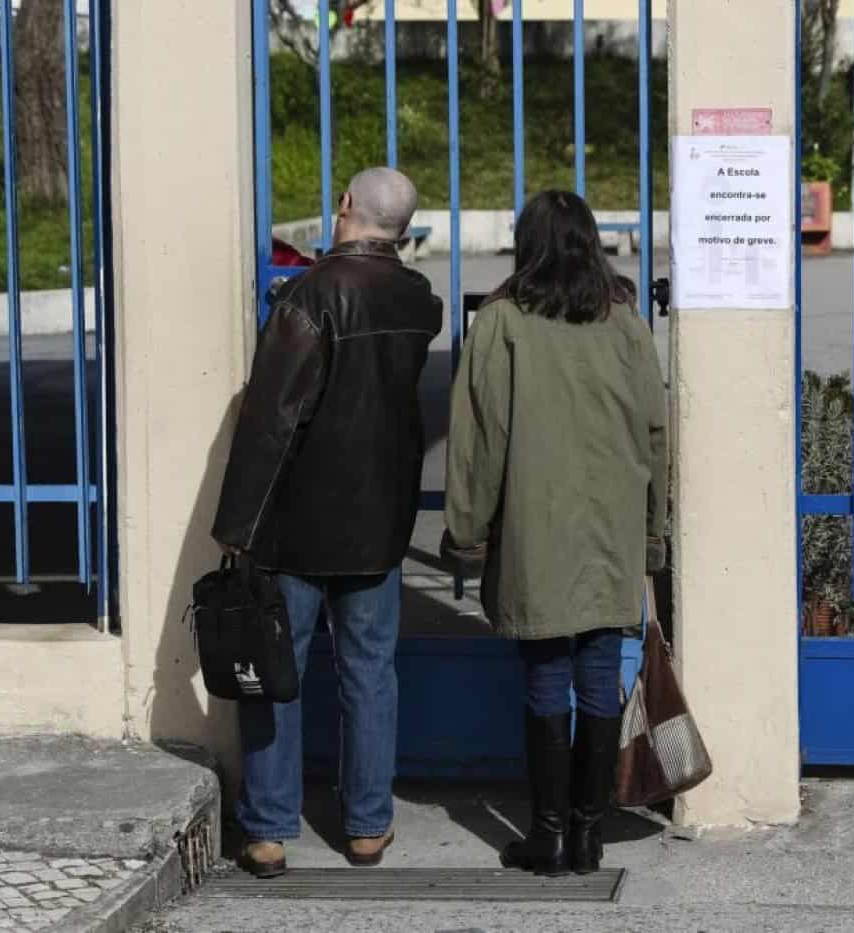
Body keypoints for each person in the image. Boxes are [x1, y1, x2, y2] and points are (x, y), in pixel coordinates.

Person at [212, 167, 442, 876]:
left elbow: (270, 421)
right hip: (377, 521)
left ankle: (271, 830)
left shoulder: (308, 297)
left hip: (297, 520)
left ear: (345, 206)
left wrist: (237, 524)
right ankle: (369, 825)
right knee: (370, 670)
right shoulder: (416, 299)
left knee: (277, 671)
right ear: (403, 227)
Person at [442, 190, 669, 877]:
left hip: (536, 527)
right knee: (600, 674)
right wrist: (653, 532)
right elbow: (655, 435)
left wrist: (467, 528)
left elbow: (480, 438)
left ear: (525, 245)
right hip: (611, 525)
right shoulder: (626, 323)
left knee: (545, 678)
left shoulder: (503, 321)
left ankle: (546, 835)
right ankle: (588, 832)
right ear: (592, 242)